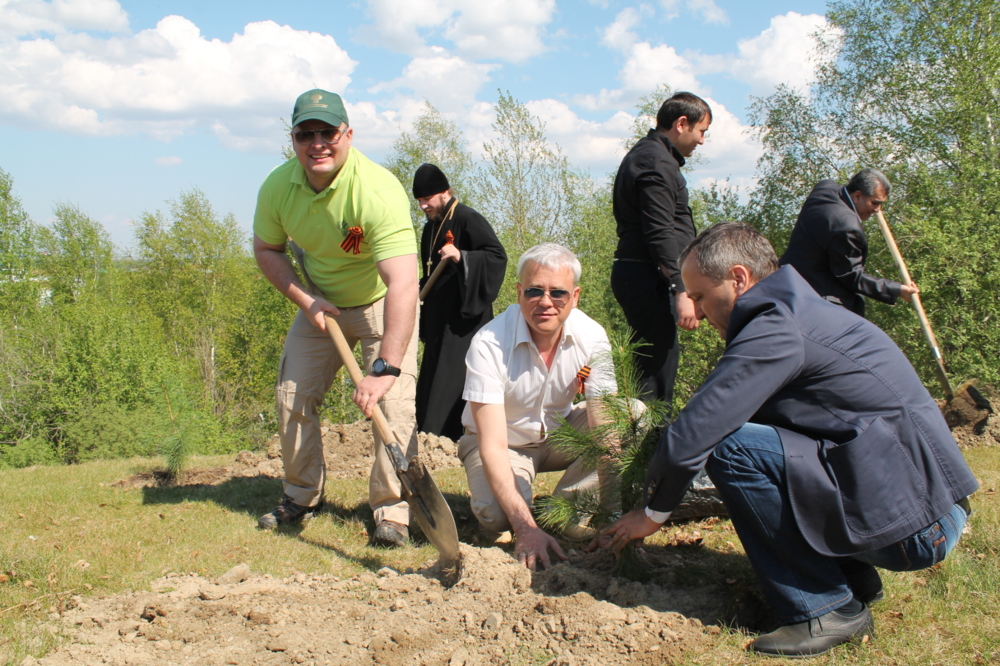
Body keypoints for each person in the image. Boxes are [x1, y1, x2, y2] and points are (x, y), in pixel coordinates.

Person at [596, 223, 977, 658]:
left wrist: (652, 512)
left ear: (739, 278)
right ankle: (854, 584)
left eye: (699, 296)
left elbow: (695, 431)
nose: (697, 313)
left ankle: (824, 608)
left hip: (920, 527)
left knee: (730, 447)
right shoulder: (797, 309)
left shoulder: (776, 326)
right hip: (928, 507)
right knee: (770, 443)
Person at [253, 88, 420, 548]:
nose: (318, 142)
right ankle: (302, 495)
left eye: (328, 132)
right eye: (306, 133)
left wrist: (384, 368)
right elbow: (266, 249)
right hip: (319, 305)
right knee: (293, 395)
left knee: (393, 404)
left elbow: (404, 284)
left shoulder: (376, 189)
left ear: (348, 134)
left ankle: (392, 512)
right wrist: (306, 299)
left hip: (382, 303)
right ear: (293, 140)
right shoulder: (277, 187)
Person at [460, 243, 619, 571]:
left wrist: (611, 518)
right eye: (534, 291)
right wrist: (525, 529)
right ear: (519, 293)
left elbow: (605, 428)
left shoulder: (592, 337)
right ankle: (528, 516)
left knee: (635, 416)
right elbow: (492, 446)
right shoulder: (488, 344)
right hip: (504, 444)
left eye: (558, 293)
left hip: (559, 435)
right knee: (496, 516)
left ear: (575, 297)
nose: (545, 302)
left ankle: (563, 510)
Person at [611, 91, 711, 403]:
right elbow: (659, 232)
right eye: (701, 131)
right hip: (648, 278)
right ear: (682, 123)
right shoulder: (655, 162)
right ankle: (647, 449)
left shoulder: (655, 158)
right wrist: (682, 289)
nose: (702, 140)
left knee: (658, 370)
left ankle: (650, 444)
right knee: (654, 377)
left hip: (649, 276)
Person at [412, 163, 507, 442]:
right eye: (418, 201)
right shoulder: (430, 227)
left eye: (427, 199)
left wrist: (462, 257)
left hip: (464, 317)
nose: (423, 206)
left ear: (444, 193)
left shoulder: (468, 218)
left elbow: (496, 257)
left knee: (452, 377)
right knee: (433, 374)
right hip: (438, 317)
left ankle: (448, 436)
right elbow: (429, 271)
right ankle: (426, 434)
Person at [780, 168, 919, 317]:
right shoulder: (847, 227)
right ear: (857, 196)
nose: (878, 210)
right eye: (874, 202)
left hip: (787, 280)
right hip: (815, 299)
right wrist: (897, 289)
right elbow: (852, 276)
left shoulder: (824, 189)